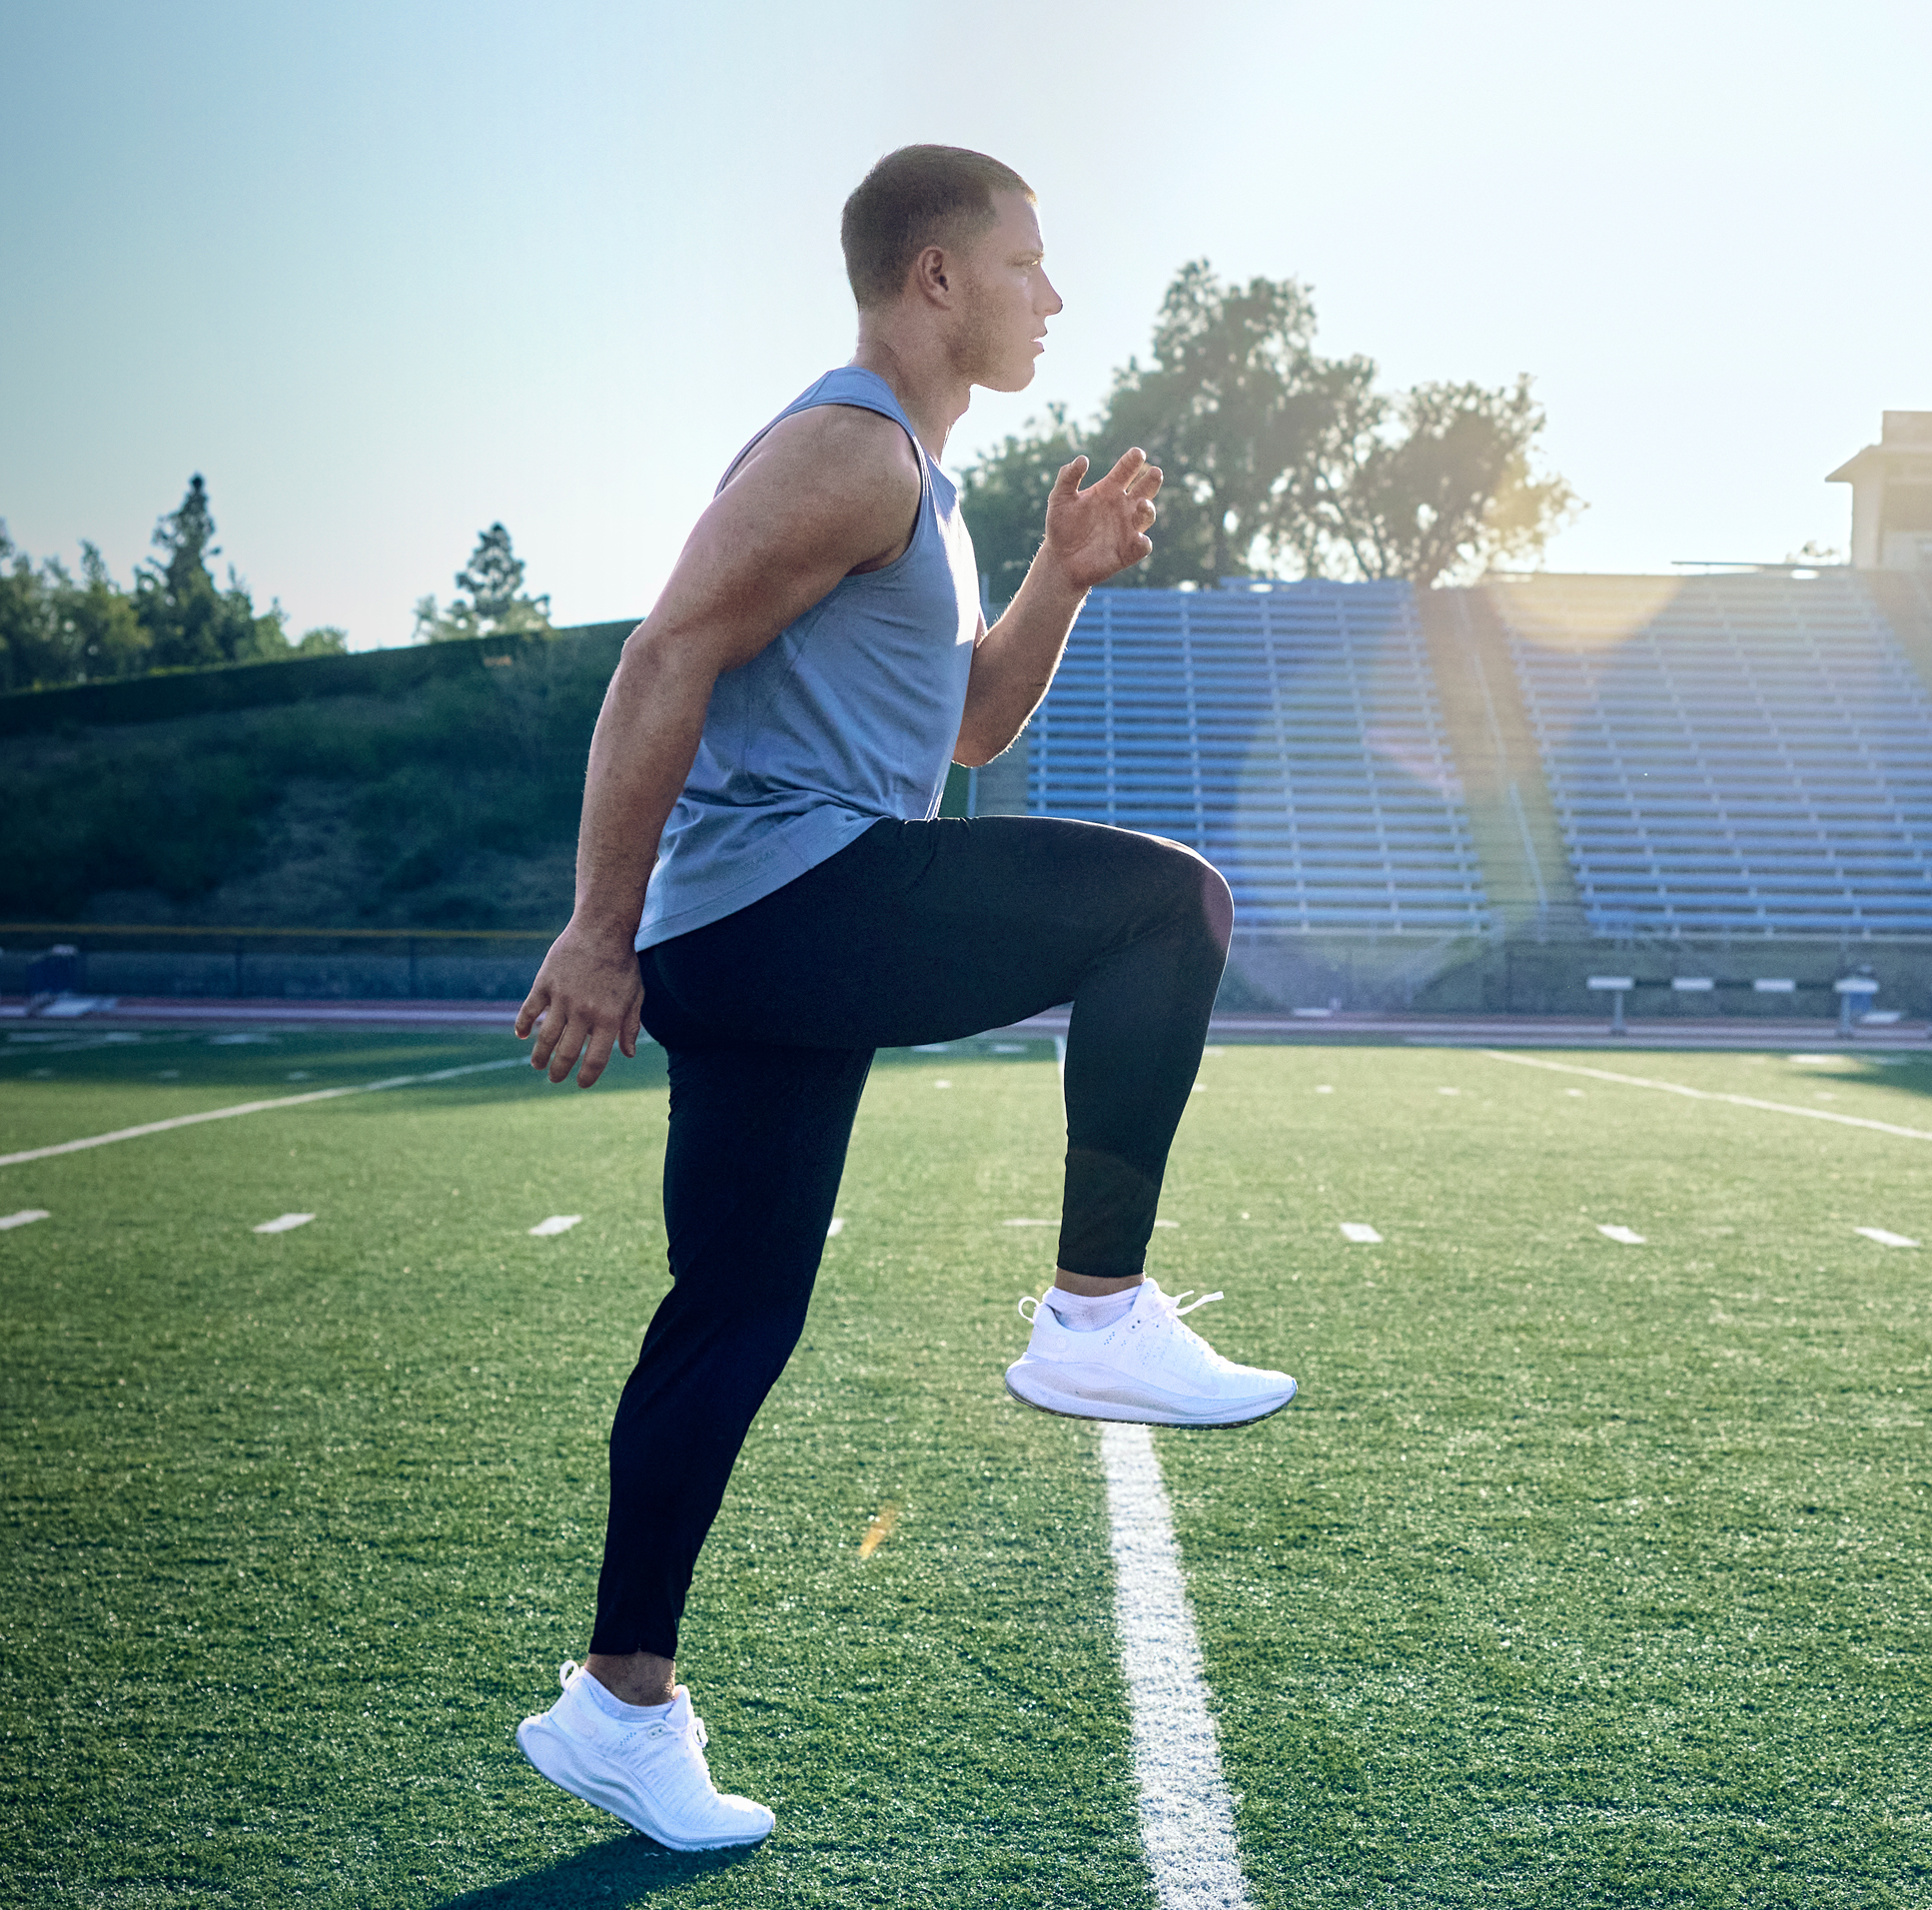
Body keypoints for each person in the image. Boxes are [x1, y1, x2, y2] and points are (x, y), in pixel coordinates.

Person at [505, 144, 1299, 1852]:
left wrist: (1062, 576)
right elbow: (662, 657)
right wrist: (596, 930)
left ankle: (617, 1707)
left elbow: (962, 731)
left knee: (731, 1319)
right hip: (785, 907)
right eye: (1027, 262)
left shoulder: (915, 485)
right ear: (936, 277)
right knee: (1172, 909)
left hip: (775, 932)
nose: (1052, 294)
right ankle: (1095, 1316)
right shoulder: (849, 452)